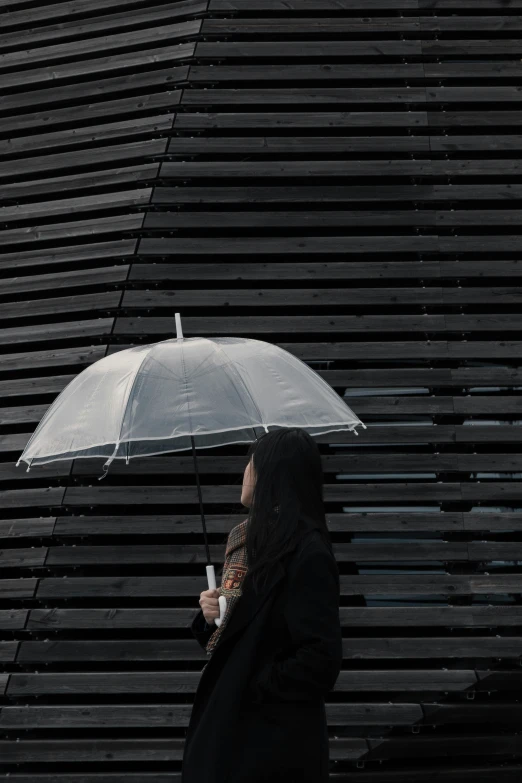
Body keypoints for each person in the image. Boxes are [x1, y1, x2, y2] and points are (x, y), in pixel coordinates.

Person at [181, 427, 343, 783]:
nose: (245, 471)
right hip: (235, 734)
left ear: (273, 472)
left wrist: (256, 683)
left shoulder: (306, 552)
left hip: (270, 745)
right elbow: (238, 635)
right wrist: (212, 616)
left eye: (251, 462)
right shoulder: (248, 544)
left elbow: (319, 660)